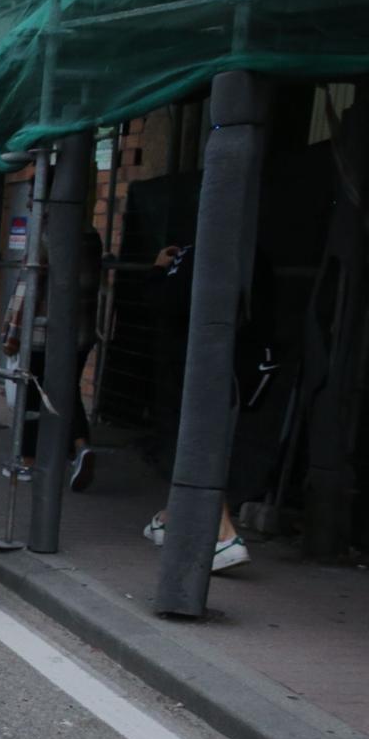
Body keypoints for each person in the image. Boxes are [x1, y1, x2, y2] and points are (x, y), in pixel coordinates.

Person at [138, 242, 251, 572]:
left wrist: (158, 271)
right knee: (192, 447)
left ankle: (224, 535)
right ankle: (170, 517)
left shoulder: (193, 253)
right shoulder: (240, 252)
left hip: (185, 364)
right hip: (218, 362)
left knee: (191, 447)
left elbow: (164, 303)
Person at [3, 226, 102, 487]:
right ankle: (80, 446)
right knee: (67, 390)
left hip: (43, 332)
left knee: (32, 395)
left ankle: (27, 461)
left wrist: (11, 334)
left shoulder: (46, 235)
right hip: (81, 332)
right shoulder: (91, 236)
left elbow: (27, 288)